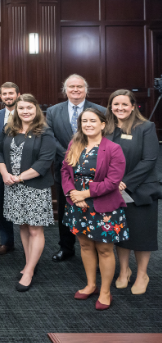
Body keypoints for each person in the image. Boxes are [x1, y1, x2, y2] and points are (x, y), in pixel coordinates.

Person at [61, 108, 128, 311]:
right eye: (84, 121)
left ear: (102, 124)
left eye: (92, 121)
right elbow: (65, 171)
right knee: (85, 246)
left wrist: (85, 194)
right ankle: (91, 284)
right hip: (77, 205)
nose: (88, 124)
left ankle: (105, 291)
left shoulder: (114, 148)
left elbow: (113, 181)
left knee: (105, 249)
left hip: (104, 207)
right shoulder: (74, 144)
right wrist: (73, 193)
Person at [0, 94, 55, 292]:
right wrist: (5, 173)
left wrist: (19, 177)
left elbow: (45, 162)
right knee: (22, 225)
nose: (25, 111)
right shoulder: (9, 129)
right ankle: (29, 263)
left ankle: (29, 271)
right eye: (21, 108)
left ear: (36, 109)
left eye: (29, 108)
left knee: (35, 229)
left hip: (35, 187)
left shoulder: (44, 132)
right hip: (12, 186)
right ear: (17, 110)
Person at [46, 74, 105, 262]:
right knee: (65, 209)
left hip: (94, 172)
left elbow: (106, 138)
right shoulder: (54, 111)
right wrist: (70, 155)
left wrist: (86, 157)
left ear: (86, 89)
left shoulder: (100, 110)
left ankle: (94, 250)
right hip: (65, 169)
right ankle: (66, 247)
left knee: (93, 209)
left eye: (80, 86)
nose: (75, 90)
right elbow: (50, 137)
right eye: (71, 86)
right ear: (65, 90)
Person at [105, 90, 159, 295]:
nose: (120, 108)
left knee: (142, 233)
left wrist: (125, 182)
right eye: (115, 104)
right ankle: (124, 270)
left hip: (141, 188)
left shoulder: (145, 127)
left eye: (124, 105)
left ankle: (142, 274)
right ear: (110, 106)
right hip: (113, 190)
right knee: (121, 231)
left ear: (133, 105)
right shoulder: (107, 128)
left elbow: (150, 160)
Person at [0, 82, 20, 256]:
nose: (8, 96)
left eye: (11, 93)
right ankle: (7, 241)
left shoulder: (27, 113)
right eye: (4, 94)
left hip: (24, 169)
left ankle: (30, 244)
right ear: (1, 97)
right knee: (2, 207)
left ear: (18, 94)